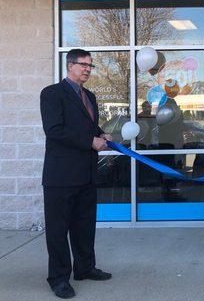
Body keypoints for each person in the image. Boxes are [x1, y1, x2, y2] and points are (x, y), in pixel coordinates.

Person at [40, 49, 112, 299]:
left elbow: (88, 127)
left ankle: (85, 268)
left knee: (84, 226)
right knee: (58, 230)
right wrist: (90, 141)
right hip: (60, 175)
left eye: (91, 66)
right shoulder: (51, 94)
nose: (87, 70)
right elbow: (54, 130)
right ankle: (59, 278)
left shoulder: (89, 96)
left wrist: (100, 134)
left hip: (87, 174)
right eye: (83, 65)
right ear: (70, 65)